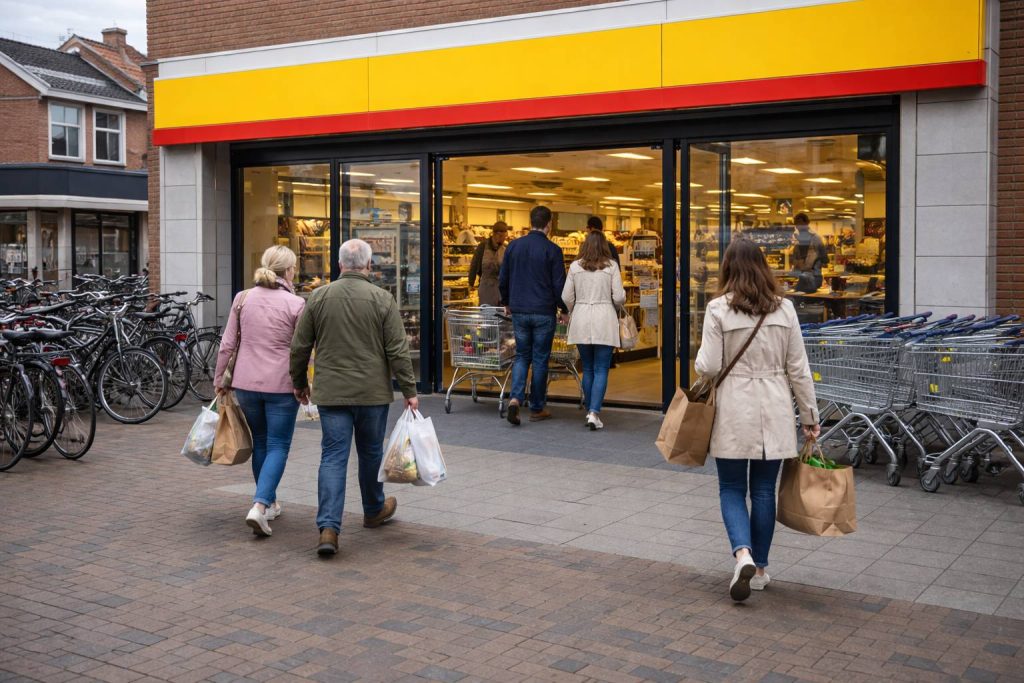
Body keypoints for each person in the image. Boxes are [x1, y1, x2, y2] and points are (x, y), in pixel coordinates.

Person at [694, 238, 820, 602]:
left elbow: (710, 366)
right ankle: (761, 568)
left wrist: (701, 363)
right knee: (764, 491)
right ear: (764, 267)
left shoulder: (718, 309)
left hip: (734, 407)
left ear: (728, 268)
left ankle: (742, 554)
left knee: (732, 489)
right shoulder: (785, 310)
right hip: (776, 407)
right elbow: (798, 368)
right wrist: (809, 416)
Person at [290, 239, 418, 558]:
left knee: (333, 455)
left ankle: (329, 527)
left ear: (340, 264)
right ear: (369, 265)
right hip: (372, 392)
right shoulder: (382, 299)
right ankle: (374, 509)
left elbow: (299, 346)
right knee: (371, 451)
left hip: (331, 391)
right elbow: (398, 350)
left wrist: (299, 383)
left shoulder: (318, 297)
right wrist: (410, 391)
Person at [214, 245, 305, 538]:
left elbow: (228, 343)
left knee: (262, 442)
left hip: (246, 383)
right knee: (279, 445)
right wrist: (303, 384)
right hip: (281, 384)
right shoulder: (296, 304)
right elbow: (302, 350)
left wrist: (219, 378)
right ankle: (260, 505)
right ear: (288, 271)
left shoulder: (242, 299)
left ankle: (270, 501)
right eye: (293, 267)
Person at [498, 205, 567, 425]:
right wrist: (563, 308)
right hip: (544, 311)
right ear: (549, 224)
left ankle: (515, 399)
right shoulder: (553, 250)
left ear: (530, 222)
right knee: (539, 360)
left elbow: (503, 277)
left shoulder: (513, 247)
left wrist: (507, 301)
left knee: (521, 356)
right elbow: (559, 284)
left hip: (519, 310)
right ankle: (537, 407)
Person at [561, 232, 625, 430]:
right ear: (604, 246)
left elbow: (566, 296)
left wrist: (574, 309)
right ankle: (594, 412)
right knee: (601, 368)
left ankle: (590, 408)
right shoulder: (612, 266)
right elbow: (620, 297)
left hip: (581, 317)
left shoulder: (574, 266)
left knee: (587, 367)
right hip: (604, 317)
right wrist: (613, 306)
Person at [468, 221, 508, 306]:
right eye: (504, 237)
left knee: (500, 315)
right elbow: (474, 265)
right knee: (487, 315)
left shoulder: (505, 248)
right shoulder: (482, 247)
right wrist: (471, 283)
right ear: (497, 234)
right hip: (486, 287)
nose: (505, 239)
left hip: (500, 287)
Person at [790, 213, 828, 293]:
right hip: (802, 276)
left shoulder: (815, 238)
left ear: (807, 223)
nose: (798, 226)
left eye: (801, 224)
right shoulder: (797, 239)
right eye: (797, 224)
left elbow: (825, 258)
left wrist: (815, 262)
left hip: (814, 276)